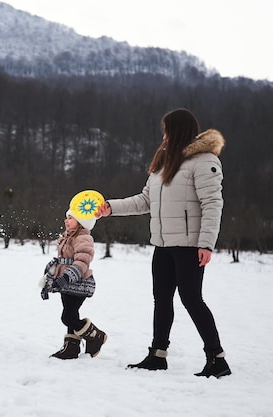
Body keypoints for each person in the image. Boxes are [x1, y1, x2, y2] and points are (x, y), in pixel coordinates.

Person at [96, 108, 231, 378]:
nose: (164, 135)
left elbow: (213, 204)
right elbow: (145, 200)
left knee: (192, 300)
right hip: (163, 244)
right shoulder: (164, 162)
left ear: (178, 130)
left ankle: (217, 359)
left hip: (190, 245)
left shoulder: (204, 161)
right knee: (162, 299)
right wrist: (110, 207)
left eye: (167, 129)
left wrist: (206, 244)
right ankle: (158, 355)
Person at [40, 208, 107, 360]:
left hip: (79, 283)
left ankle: (96, 336)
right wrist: (49, 282)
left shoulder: (83, 238)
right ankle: (71, 347)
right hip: (67, 284)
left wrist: (66, 277)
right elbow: (61, 262)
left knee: (68, 316)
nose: (66, 220)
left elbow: (82, 261)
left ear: (81, 222)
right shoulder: (67, 237)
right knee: (71, 313)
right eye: (67, 217)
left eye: (70, 218)